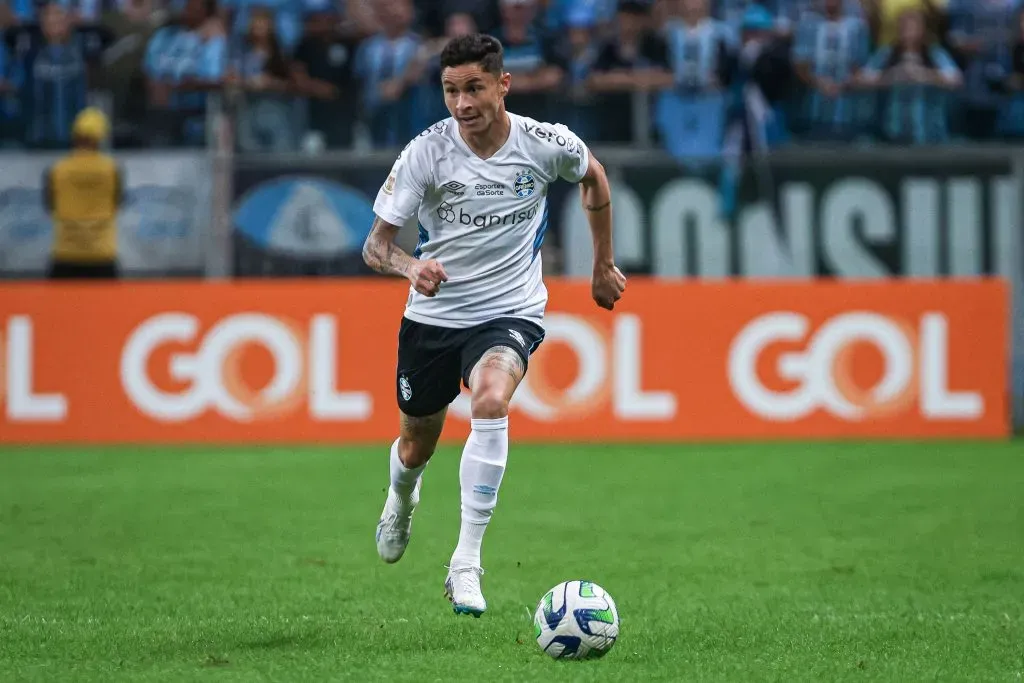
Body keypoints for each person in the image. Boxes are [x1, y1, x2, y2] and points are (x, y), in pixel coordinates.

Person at [361, 33, 626, 617]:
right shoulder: (426, 153)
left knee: (490, 399)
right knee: (415, 443)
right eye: (451, 90)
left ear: (502, 85)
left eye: (474, 88)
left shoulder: (543, 143)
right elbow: (375, 247)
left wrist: (602, 263)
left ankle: (466, 563)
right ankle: (401, 502)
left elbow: (595, 178)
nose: (462, 103)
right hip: (433, 316)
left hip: (510, 309)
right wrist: (412, 265)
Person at [44, 107, 124, 279]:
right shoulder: (112, 169)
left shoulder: (57, 169)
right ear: (101, 137)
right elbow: (118, 203)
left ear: (74, 135)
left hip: (65, 254)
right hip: (102, 255)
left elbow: (49, 205)